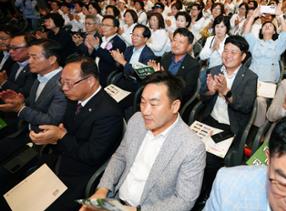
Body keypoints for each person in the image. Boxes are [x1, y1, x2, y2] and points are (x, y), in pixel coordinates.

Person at [81, 71, 206, 211]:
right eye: (142, 102)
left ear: (175, 106)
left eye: (153, 104)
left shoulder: (192, 147)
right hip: (115, 201)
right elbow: (120, 157)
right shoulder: (136, 120)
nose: (145, 111)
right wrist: (102, 190)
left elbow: (184, 201)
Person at [29, 56, 124, 211]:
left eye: (69, 83)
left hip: (81, 174)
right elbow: (65, 130)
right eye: (62, 82)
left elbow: (92, 155)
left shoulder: (109, 112)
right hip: (61, 158)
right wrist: (50, 138)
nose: (64, 88)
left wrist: (60, 136)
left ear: (91, 81)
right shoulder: (75, 99)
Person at [196, 35, 258, 205]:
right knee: (186, 145)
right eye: (226, 50)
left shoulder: (250, 77)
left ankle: (205, 194)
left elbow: (245, 106)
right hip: (209, 120)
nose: (228, 55)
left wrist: (226, 92)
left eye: (233, 52)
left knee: (209, 159)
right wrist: (209, 91)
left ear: (243, 56)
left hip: (231, 126)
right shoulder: (215, 69)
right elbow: (202, 97)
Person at [0, 39, 67, 133]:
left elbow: (52, 121)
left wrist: (21, 108)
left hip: (42, 137)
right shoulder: (40, 76)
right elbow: (37, 104)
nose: (29, 61)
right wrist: (20, 102)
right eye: (29, 57)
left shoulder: (64, 83)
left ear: (52, 59)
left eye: (34, 57)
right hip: (26, 127)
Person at [150, 28, 200, 103]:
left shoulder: (193, 65)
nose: (176, 44)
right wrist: (154, 73)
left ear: (189, 47)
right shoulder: (166, 57)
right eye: (174, 40)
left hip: (175, 101)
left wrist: (164, 76)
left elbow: (185, 92)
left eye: (181, 42)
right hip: (158, 93)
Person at [85, 15, 126, 86]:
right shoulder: (102, 39)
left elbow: (112, 60)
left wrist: (96, 47)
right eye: (102, 25)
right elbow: (96, 55)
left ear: (115, 28)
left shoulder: (119, 42)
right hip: (96, 74)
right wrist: (90, 49)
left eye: (107, 25)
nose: (103, 27)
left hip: (107, 78)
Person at [0, 32, 36, 97]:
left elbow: (25, 94)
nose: (10, 51)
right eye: (10, 48)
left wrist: (4, 82)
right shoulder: (15, 64)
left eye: (15, 48)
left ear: (30, 48)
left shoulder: (34, 68)